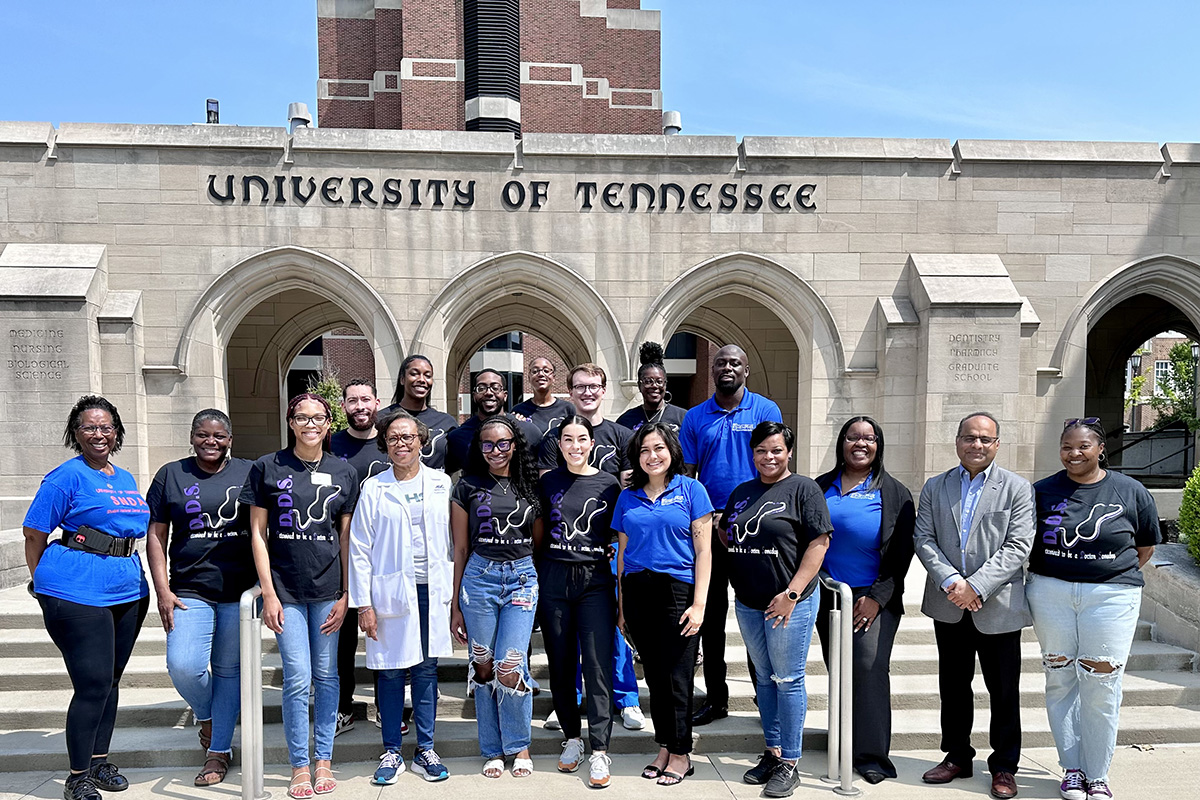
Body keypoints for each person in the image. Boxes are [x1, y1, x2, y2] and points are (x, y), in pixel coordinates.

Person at [22, 396, 151, 800]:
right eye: (90, 427)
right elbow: (34, 535)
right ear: (75, 433)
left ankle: (99, 761)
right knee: (92, 683)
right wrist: (42, 584)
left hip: (127, 588)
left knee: (110, 681)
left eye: (106, 426)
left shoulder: (125, 478)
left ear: (117, 432)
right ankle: (77, 777)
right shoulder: (65, 477)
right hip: (75, 590)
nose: (99, 434)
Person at [1028, 417, 1159, 800]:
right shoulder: (1042, 491)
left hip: (1111, 596)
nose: (1074, 453)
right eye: (1067, 447)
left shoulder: (1130, 491)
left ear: (1101, 448)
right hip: (1050, 592)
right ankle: (1071, 769)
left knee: (1102, 682)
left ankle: (1097, 773)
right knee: (1059, 676)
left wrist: (1104, 572)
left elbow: (1145, 547)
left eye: (1083, 446)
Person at [242, 393, 359, 799]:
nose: (311, 424)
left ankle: (324, 759)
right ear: (291, 422)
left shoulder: (343, 471)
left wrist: (347, 592)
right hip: (286, 590)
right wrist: (268, 593)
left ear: (329, 424)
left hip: (329, 589)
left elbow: (345, 537)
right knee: (296, 678)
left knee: (327, 676)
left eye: (319, 418)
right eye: (302, 417)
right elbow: (258, 533)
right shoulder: (267, 467)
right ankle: (299, 766)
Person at [914, 411, 1034, 800]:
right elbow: (924, 538)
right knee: (953, 684)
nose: (977, 445)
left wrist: (976, 586)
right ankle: (957, 756)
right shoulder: (936, 486)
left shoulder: (1017, 488)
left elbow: (1018, 546)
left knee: (1003, 689)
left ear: (997, 444)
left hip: (996, 605)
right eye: (969, 438)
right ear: (957, 442)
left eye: (985, 439)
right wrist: (952, 582)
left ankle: (1004, 766)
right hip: (949, 603)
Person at [721, 422, 832, 799]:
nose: (769, 458)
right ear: (752, 454)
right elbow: (727, 531)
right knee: (764, 679)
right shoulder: (742, 492)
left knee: (788, 679)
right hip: (750, 603)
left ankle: (791, 762)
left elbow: (819, 543)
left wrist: (793, 593)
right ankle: (772, 751)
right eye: (761, 451)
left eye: (776, 450)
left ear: (789, 452)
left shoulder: (804, 489)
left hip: (788, 604)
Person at [145, 409, 254, 786]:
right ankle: (209, 716)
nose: (211, 441)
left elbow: (265, 529)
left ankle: (218, 751)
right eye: (203, 435)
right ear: (192, 437)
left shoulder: (248, 472)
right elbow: (156, 536)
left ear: (230, 439)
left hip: (240, 592)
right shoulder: (171, 475)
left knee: (228, 672)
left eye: (219, 435)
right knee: (184, 664)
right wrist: (162, 591)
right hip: (190, 589)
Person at [349, 409, 455, 784]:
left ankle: (425, 748)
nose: (402, 444)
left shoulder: (442, 483)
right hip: (389, 593)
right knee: (391, 671)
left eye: (408, 437)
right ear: (385, 445)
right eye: (394, 438)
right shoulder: (374, 487)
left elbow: (455, 541)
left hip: (432, 589)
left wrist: (456, 600)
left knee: (426, 670)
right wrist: (364, 604)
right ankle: (391, 750)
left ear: (422, 441)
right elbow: (360, 547)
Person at [679, 344, 782, 726]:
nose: (726, 367)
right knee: (713, 617)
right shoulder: (695, 417)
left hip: (755, 528)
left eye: (734, 362)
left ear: (746, 370)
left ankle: (765, 694)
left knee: (760, 610)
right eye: (720, 362)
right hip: (712, 527)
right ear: (713, 370)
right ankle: (716, 699)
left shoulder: (764, 410)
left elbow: (773, 466)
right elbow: (688, 475)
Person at [813, 416, 915, 785]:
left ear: (878, 445)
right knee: (838, 668)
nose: (861, 444)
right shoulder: (820, 486)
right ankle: (844, 741)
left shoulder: (894, 492)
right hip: (828, 596)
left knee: (869, 667)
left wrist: (876, 597)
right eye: (853, 437)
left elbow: (902, 553)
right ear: (841, 443)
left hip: (872, 597)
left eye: (869, 438)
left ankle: (872, 755)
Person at [613, 423, 713, 786]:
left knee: (678, 676)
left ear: (671, 450)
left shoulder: (692, 490)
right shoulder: (628, 496)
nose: (652, 456)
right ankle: (664, 746)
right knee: (654, 677)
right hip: (638, 591)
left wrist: (699, 603)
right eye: (644, 451)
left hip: (678, 592)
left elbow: (704, 551)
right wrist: (622, 607)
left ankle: (682, 753)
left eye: (658, 448)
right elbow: (623, 554)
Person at [449, 416, 543, 778]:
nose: (496, 451)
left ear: (515, 444)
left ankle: (519, 745)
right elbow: (459, 547)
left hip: (521, 578)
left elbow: (536, 541)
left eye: (503, 443)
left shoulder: (529, 485)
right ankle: (492, 748)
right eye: (487, 444)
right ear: (479, 447)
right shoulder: (466, 486)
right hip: (479, 579)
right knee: (484, 666)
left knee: (510, 664)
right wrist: (456, 603)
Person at [537, 416, 621, 787]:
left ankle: (600, 750)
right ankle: (572, 739)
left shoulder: (609, 485)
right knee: (560, 662)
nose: (574, 445)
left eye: (581, 439)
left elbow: (619, 537)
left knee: (598, 666)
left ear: (591, 443)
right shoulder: (547, 482)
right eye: (567, 439)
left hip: (594, 582)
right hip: (554, 578)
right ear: (559, 443)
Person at [328, 379, 390, 737]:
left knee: (383, 637)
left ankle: (386, 705)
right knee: (344, 640)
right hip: (341, 556)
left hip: (384, 558)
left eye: (366, 399)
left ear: (377, 402)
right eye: (353, 400)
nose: (360, 406)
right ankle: (343, 708)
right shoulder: (331, 443)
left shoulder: (388, 444)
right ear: (344, 405)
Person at [537, 362, 632, 484]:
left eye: (594, 386)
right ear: (571, 392)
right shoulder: (553, 438)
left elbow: (628, 490)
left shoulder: (623, 437)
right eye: (580, 387)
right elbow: (547, 487)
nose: (587, 393)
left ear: (603, 390)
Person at [445, 369, 542, 474]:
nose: (488, 392)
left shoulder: (529, 432)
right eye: (481, 388)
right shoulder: (457, 437)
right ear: (474, 396)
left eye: (495, 388)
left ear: (505, 395)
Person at [381, 354, 457, 472]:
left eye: (427, 375)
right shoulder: (383, 418)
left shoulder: (447, 422)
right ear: (402, 379)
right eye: (414, 374)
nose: (422, 380)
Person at [616, 341, 686, 433]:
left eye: (659, 381)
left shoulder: (683, 418)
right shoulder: (625, 421)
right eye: (648, 381)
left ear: (665, 384)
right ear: (639, 385)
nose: (654, 386)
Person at [512, 356, 575, 436]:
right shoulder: (519, 410)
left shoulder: (568, 409)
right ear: (529, 378)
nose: (541, 374)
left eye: (546, 371)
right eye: (535, 371)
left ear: (553, 377)